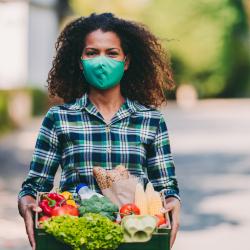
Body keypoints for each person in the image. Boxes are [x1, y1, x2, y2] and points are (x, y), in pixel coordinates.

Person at [18, 13, 181, 250]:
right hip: (73, 239)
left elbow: (165, 186)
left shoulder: (150, 120)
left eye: (112, 53)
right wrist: (27, 202)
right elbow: (35, 185)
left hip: (134, 240)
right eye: (92, 53)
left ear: (126, 62)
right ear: (80, 61)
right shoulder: (59, 118)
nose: (101, 61)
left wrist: (173, 201)